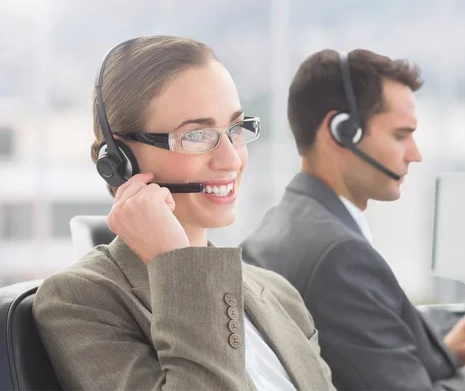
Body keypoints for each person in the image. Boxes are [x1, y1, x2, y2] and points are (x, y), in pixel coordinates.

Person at [33, 36, 335, 391]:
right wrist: (178, 264)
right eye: (197, 135)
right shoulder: (81, 299)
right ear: (121, 160)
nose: (232, 159)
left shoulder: (277, 293)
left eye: (236, 129)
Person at [241, 49, 465, 390]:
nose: (415, 154)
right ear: (343, 132)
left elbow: (354, 365)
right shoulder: (339, 253)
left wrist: (442, 355)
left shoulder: (281, 224)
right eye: (400, 135)